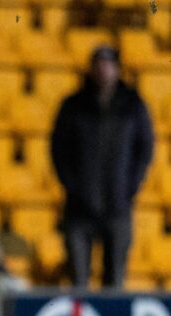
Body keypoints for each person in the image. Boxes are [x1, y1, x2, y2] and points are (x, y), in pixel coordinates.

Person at [51, 45, 154, 288]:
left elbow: (144, 149)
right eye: (98, 64)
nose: (103, 70)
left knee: (115, 280)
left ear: (118, 69)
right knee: (78, 278)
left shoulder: (132, 105)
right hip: (79, 207)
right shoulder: (74, 106)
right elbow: (58, 150)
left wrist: (129, 187)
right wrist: (74, 186)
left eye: (108, 64)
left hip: (117, 205)